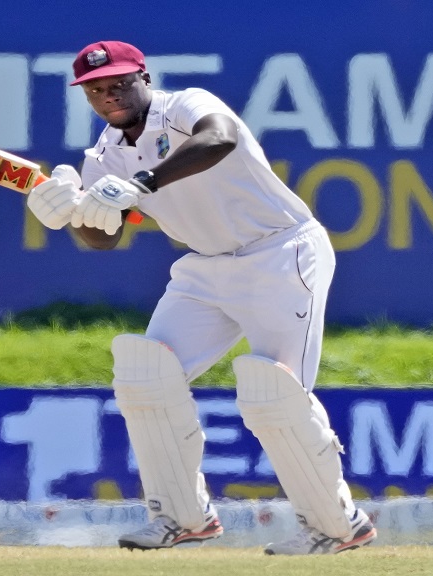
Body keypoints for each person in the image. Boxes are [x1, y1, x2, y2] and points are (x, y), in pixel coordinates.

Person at [26, 40, 376, 556]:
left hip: (280, 253)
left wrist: (142, 183)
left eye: (121, 83)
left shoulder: (186, 106)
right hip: (205, 267)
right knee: (146, 377)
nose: (110, 95)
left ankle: (338, 526)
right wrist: (68, 211)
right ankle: (184, 518)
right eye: (97, 89)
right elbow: (103, 238)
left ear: (143, 77)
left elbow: (221, 139)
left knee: (273, 394)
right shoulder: (104, 157)